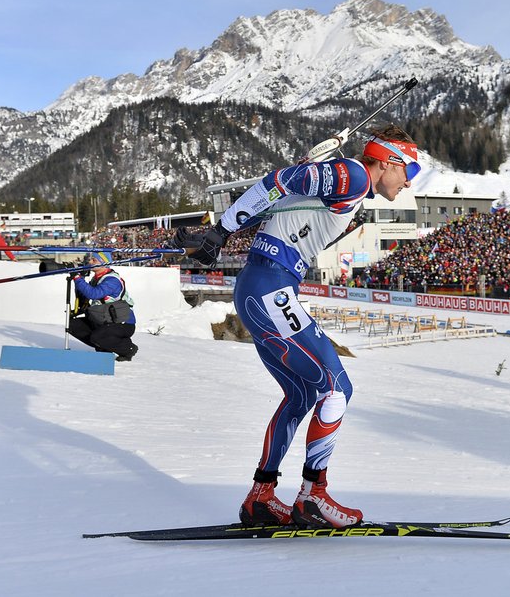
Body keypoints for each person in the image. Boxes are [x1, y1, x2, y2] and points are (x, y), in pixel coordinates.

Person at [173, 125, 420, 528]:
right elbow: (279, 181)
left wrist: (222, 230)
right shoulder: (356, 176)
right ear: (389, 160)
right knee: (338, 389)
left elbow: (284, 192)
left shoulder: (349, 182)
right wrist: (220, 231)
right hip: (271, 288)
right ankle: (313, 495)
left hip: (259, 287)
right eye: (409, 168)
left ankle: (261, 496)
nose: (409, 180)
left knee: (302, 394)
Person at [67, 252, 139, 362]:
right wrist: (79, 276)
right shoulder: (96, 279)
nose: (90, 262)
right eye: (91, 260)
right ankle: (104, 348)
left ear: (104, 263)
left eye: (94, 260)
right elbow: (86, 295)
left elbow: (94, 294)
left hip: (122, 323)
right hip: (103, 319)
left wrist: (77, 278)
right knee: (73, 325)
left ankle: (128, 349)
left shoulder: (112, 280)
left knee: (97, 337)